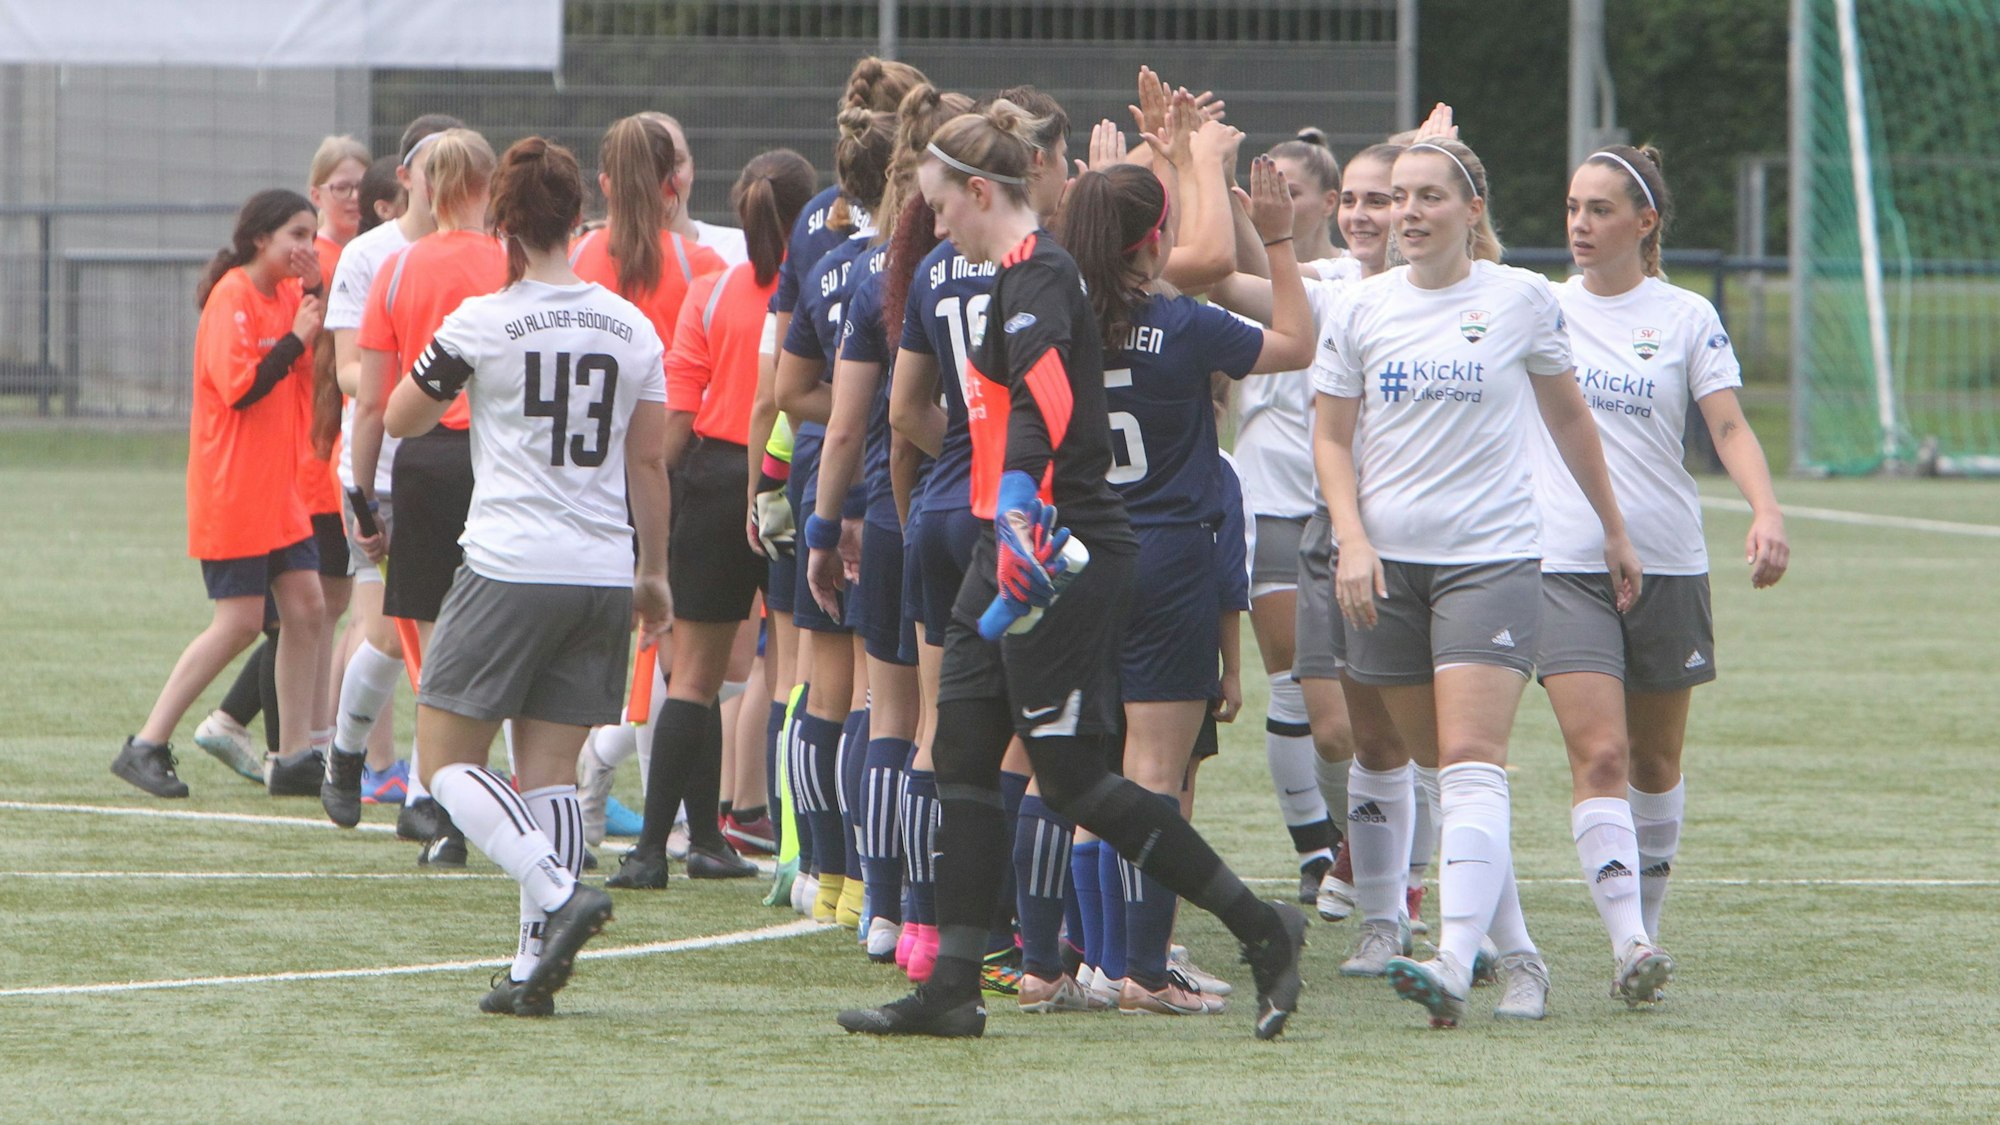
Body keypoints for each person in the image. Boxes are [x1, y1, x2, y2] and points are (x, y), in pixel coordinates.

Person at [836, 101, 1305, 1041]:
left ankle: (1264, 929)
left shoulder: (1039, 272)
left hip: (1059, 551)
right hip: (1004, 542)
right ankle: (953, 988)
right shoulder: (1007, 271)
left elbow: (1047, 398)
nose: (936, 229)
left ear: (981, 192)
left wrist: (1016, 505)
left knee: (1072, 779)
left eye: (942, 209)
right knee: (965, 752)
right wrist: (1001, 513)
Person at [1311, 136, 1638, 1027]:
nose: (1408, 212)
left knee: (1470, 760)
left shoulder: (1521, 300)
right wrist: (1351, 539)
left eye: (1428, 197)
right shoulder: (1361, 307)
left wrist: (1613, 527)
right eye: (1399, 197)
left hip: (1490, 562)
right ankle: (1521, 957)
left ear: (1471, 211)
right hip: (1386, 570)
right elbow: (1332, 437)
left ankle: (1454, 958)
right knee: (1438, 766)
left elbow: (1570, 417)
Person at [382, 135, 668, 1018]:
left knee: (445, 757)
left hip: (508, 564)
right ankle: (530, 966)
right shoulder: (632, 325)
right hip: (601, 571)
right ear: (579, 218)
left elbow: (403, 412)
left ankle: (553, 890)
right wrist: (652, 573)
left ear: (503, 223)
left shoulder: (484, 319)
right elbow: (649, 465)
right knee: (548, 773)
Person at [1056, 148, 1316, 1017]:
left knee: (1092, 777)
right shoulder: (1183, 322)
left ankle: (1094, 961)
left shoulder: (1053, 321)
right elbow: (1297, 342)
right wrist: (1276, 242)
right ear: (1152, 239)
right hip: (1164, 554)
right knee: (1156, 773)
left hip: (1078, 555)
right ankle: (1143, 969)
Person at [1538, 144, 1788, 1004]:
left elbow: (1727, 427)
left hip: (1671, 559)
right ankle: (1630, 938)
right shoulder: (1541, 308)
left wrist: (1766, 510)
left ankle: (1639, 938)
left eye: (1599, 209)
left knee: (1654, 759)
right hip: (1564, 560)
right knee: (1599, 750)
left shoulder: (1684, 316)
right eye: (1573, 207)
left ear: (1644, 223)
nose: (1579, 223)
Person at [599, 149, 816, 889]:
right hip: (797, 474)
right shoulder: (816, 291)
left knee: (688, 678)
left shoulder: (712, 294)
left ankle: (662, 848)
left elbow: (678, 425)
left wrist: (654, 510)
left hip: (714, 482)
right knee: (792, 674)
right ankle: (796, 850)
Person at [804, 82, 972, 964]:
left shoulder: (864, 269)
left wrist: (825, 527)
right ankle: (937, 912)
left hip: (891, 512)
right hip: (959, 502)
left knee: (888, 712)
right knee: (950, 723)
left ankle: (876, 902)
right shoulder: (988, 261)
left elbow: (837, 418)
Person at [113, 190, 328, 799]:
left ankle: (292, 757)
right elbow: (240, 389)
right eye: (296, 234)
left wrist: (314, 306)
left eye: (312, 236)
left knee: (307, 610)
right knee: (237, 625)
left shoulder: (291, 297)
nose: (306, 248)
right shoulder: (232, 295)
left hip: (277, 490)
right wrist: (294, 339)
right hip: (233, 490)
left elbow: (309, 375)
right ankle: (147, 744)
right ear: (260, 239)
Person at [338, 128, 507, 843]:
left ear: (426, 186)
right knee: (479, 641)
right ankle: (429, 797)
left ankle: (385, 775)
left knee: (432, 639)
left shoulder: (400, 269)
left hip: (424, 461)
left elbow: (373, 402)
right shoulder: (509, 262)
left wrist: (362, 491)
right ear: (485, 186)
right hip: (498, 461)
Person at [771, 105, 898, 928]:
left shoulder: (823, 256)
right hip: (873, 477)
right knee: (876, 700)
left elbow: (786, 392)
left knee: (822, 687)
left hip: (818, 469)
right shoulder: (894, 269)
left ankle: (821, 872)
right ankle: (868, 887)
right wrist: (888, 411)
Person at [324, 114, 464, 836]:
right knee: (382, 632)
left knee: (450, 633)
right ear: (405, 176)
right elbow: (351, 369)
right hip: (381, 461)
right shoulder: (372, 256)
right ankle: (345, 753)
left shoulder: (474, 252)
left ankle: (425, 794)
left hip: (455, 464)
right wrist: (420, 386)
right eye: (434, 167)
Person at [1229, 127, 1345, 901]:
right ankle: (1317, 850)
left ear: (1328, 202)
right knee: (1297, 685)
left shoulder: (1359, 276)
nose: (1273, 202)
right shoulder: (1243, 277)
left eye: (1290, 190)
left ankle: (1364, 846)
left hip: (1350, 509)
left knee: (1358, 700)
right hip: (1272, 500)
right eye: (1259, 189)